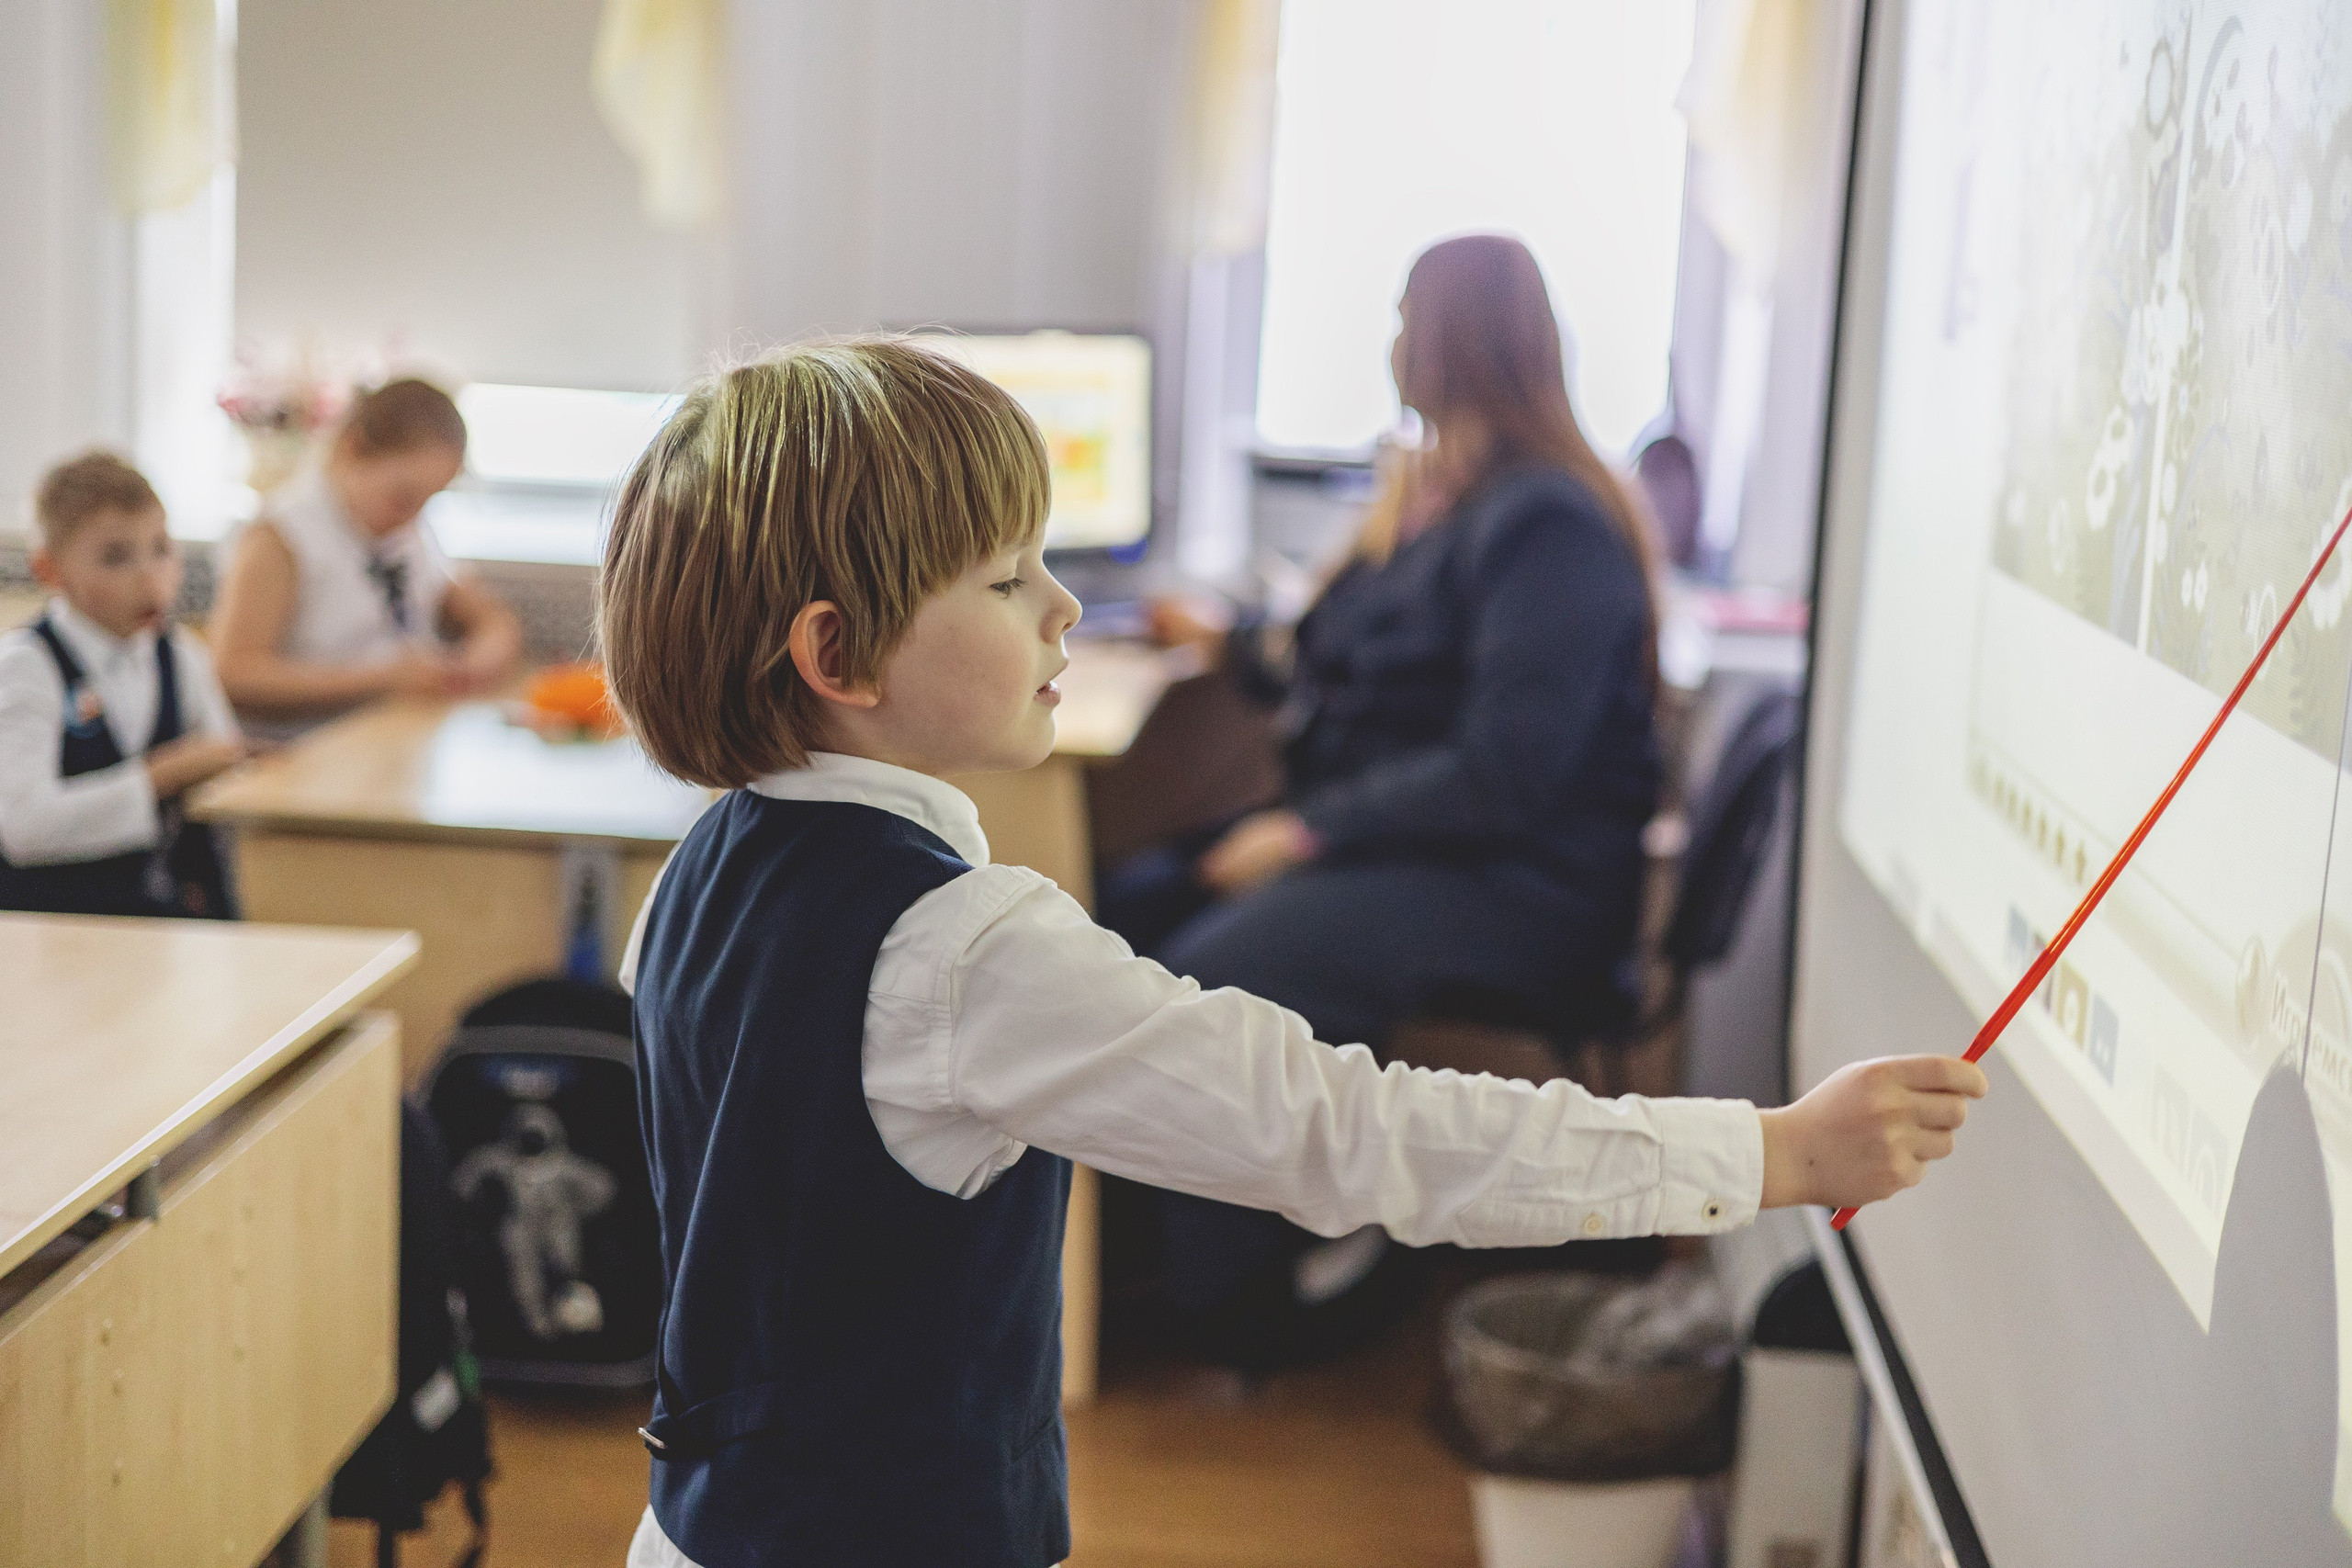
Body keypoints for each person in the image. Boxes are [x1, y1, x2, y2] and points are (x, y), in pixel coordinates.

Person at [598, 335, 1986, 1568]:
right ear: (837, 652)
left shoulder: (694, 876)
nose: (1064, 610)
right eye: (1011, 576)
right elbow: (1363, 1132)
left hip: (696, 1525)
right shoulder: (966, 953)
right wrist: (1771, 1155)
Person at [1110, 232, 1679, 1338]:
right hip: (1419, 848)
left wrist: (1303, 833)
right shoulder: (1439, 501)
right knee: (1125, 902)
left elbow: (1504, 774)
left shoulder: (1547, 524)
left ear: (1455, 341)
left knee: (1206, 980)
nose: (1390, 345)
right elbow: (1348, 669)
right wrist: (1232, 639)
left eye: (1405, 320)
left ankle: (1252, 1296)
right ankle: (1135, 1252)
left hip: (1524, 887)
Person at [0, 451, 245, 917]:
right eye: (116, 558)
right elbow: (23, 828)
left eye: (160, 549)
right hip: (51, 921)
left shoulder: (182, 656)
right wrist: (155, 779)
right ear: (50, 571)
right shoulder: (27, 667)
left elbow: (223, 769)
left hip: (156, 912)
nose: (149, 577)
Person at [209, 377, 523, 736]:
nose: (414, 517)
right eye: (404, 496)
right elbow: (233, 674)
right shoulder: (280, 539)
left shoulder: (407, 531)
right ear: (354, 448)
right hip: (306, 753)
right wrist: (380, 680)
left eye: (429, 501)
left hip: (388, 740)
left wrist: (482, 654)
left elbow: (488, 617)